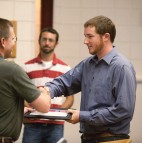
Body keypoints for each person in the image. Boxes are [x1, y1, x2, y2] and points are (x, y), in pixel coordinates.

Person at [45, 15, 136, 143]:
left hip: (111, 139)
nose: (85, 41)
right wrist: (47, 91)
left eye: (90, 36)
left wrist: (83, 116)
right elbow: (66, 82)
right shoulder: (88, 64)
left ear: (106, 37)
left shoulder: (121, 67)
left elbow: (123, 111)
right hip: (88, 139)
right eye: (85, 36)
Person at [22, 27, 74, 143]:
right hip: (33, 124)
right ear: (39, 41)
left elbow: (70, 98)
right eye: (44, 39)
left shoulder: (65, 68)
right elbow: (22, 95)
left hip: (55, 125)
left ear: (56, 43)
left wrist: (58, 113)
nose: (47, 43)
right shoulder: (26, 67)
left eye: (51, 40)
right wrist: (30, 111)